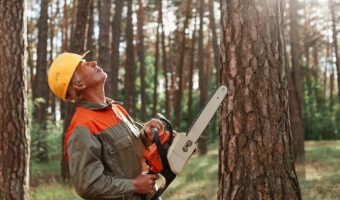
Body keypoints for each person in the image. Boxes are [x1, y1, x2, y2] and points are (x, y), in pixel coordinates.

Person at [48, 52, 161, 200]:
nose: (93, 62)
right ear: (79, 84)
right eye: (84, 65)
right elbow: (87, 185)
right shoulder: (82, 128)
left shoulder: (115, 109)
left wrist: (145, 137)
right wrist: (133, 185)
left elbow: (124, 154)